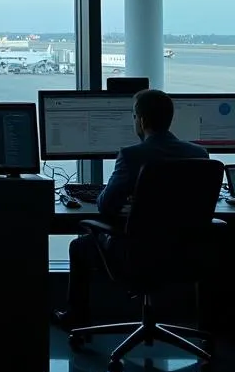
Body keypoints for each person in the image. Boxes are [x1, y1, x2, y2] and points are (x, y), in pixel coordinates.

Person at [54, 88, 209, 327]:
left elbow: (106, 206)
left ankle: (76, 318)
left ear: (142, 120)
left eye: (134, 117)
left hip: (137, 255)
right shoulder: (199, 154)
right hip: (184, 254)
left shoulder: (131, 156)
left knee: (78, 246)